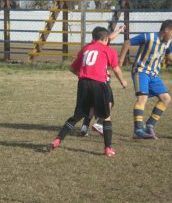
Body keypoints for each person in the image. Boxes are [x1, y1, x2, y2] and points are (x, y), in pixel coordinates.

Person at [50, 27, 127, 156]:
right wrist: (123, 81)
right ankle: (108, 148)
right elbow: (116, 69)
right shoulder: (109, 50)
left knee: (77, 116)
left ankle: (57, 140)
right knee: (106, 117)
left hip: (83, 83)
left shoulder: (85, 49)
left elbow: (72, 68)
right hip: (99, 84)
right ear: (105, 39)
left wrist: (85, 76)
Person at [119, 20, 172, 139]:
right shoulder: (148, 36)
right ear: (166, 30)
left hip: (153, 74)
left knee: (166, 99)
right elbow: (127, 43)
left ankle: (150, 125)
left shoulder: (168, 42)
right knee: (142, 98)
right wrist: (120, 61)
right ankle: (138, 130)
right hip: (140, 71)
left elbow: (168, 53)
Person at [80, 25, 126, 137]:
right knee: (109, 102)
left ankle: (85, 126)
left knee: (91, 104)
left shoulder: (90, 45)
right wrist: (122, 81)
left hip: (87, 79)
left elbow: (110, 37)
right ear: (103, 38)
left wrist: (119, 30)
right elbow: (110, 37)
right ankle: (99, 123)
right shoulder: (104, 46)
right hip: (102, 78)